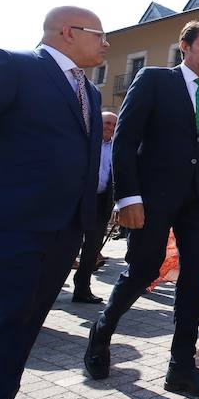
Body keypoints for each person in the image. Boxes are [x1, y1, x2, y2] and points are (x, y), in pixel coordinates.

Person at [0, 6, 107, 399]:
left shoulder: (90, 92)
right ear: (68, 31)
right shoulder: (10, 63)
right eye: (100, 34)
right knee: (1, 326)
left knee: (26, 326)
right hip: (11, 222)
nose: (106, 43)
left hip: (65, 226)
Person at [84, 21, 199, 397]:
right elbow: (126, 140)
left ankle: (181, 367)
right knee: (142, 270)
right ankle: (101, 331)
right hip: (151, 199)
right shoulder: (153, 80)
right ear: (185, 46)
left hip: (197, 204)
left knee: (194, 277)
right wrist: (127, 197)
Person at [72, 111, 118, 304]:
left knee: (92, 248)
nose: (110, 127)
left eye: (114, 125)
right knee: (69, 245)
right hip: (78, 199)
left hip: (101, 203)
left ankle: (82, 288)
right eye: (107, 123)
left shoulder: (116, 147)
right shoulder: (84, 142)